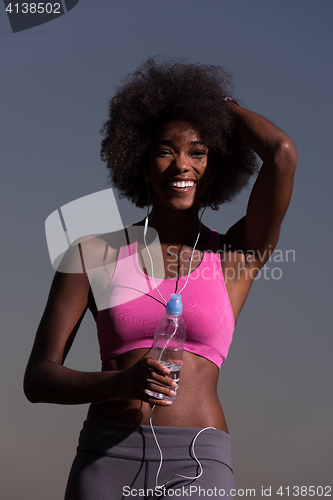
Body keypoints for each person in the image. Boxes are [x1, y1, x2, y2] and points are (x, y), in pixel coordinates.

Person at [24, 58, 297, 499]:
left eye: (198, 151)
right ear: (139, 158)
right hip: (106, 460)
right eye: (165, 149)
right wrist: (118, 383)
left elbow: (281, 153)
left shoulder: (235, 257)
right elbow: (38, 379)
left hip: (199, 460)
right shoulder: (92, 253)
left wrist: (217, 107)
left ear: (217, 166)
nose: (181, 165)